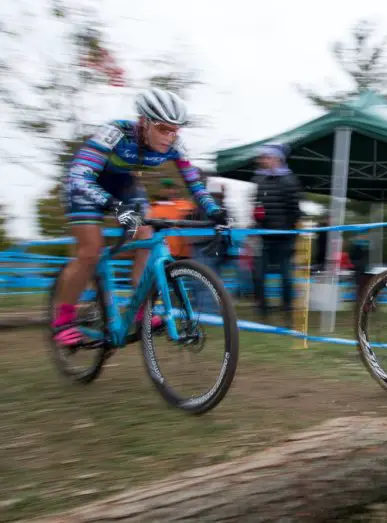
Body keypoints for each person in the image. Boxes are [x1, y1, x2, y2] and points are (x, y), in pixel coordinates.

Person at [53, 87, 228, 347]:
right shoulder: (115, 134)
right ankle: (63, 319)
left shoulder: (175, 147)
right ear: (143, 122)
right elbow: (80, 176)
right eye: (162, 128)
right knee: (90, 250)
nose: (169, 136)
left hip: (123, 185)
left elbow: (194, 183)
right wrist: (113, 205)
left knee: (146, 236)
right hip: (85, 185)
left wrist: (214, 210)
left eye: (175, 130)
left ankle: (138, 309)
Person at [250, 143, 302, 327]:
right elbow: (255, 203)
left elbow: (295, 210)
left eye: (267, 156)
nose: (264, 160)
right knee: (258, 274)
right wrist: (255, 219)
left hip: (284, 237)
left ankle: (287, 311)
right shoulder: (258, 179)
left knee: (286, 276)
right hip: (263, 235)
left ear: (277, 158)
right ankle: (262, 309)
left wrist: (289, 231)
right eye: (263, 157)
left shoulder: (290, 181)